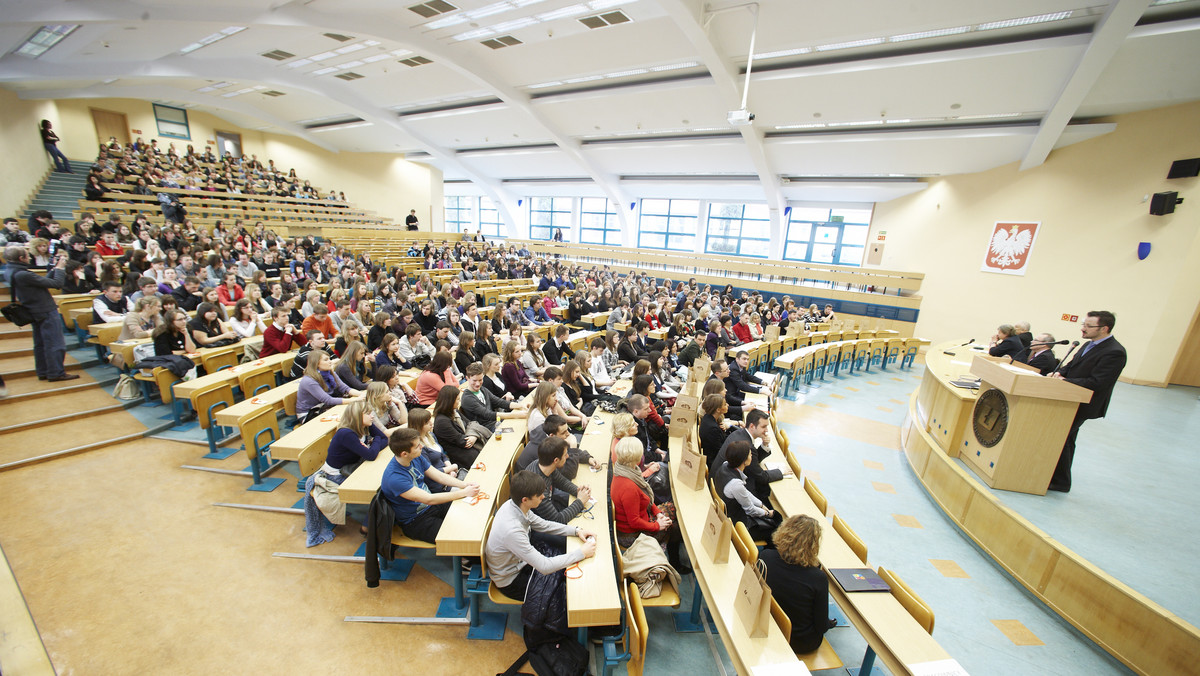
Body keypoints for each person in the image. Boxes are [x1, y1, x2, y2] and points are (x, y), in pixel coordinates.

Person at [484, 469, 597, 601]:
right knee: (566, 595)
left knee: (565, 569)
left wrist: (576, 531)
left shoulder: (514, 505)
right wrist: (581, 553)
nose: (543, 497)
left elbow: (544, 525)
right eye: (539, 496)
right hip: (512, 580)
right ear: (525, 499)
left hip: (520, 563)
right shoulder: (512, 531)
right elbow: (545, 566)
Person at [1049, 310, 1127, 493]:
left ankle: (1060, 482)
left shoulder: (1115, 352)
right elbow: (1073, 366)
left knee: (1063, 437)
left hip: (1085, 403)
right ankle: (1057, 478)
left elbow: (1097, 382)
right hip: (1069, 397)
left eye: (1088, 326)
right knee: (1065, 438)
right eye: (1083, 325)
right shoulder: (1087, 345)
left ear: (1104, 328)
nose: (1083, 329)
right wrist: (1061, 372)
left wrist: (1065, 381)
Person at [380, 428, 479, 543]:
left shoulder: (416, 457)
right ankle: (466, 557)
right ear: (404, 454)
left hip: (431, 507)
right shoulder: (395, 478)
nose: (421, 447)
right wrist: (463, 492)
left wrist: (464, 484)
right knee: (459, 536)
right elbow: (429, 499)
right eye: (417, 446)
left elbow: (439, 476)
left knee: (470, 514)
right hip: (416, 520)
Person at [611, 437, 690, 574]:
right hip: (632, 535)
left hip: (641, 519)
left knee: (673, 508)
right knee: (675, 528)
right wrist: (658, 525)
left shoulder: (624, 470)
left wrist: (658, 513)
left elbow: (645, 498)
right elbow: (634, 522)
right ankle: (675, 562)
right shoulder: (628, 486)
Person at [760, 515, 832, 653]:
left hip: (767, 626)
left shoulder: (766, 557)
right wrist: (829, 624)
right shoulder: (818, 578)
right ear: (814, 545)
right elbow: (821, 626)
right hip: (800, 642)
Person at [5, 246, 77, 381]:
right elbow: (57, 283)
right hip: (44, 310)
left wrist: (54, 269)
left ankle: (44, 371)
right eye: (27, 255)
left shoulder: (11, 271)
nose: (30, 257)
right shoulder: (23, 274)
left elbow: (41, 283)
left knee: (41, 343)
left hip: (33, 310)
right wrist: (60, 268)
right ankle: (56, 373)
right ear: (21, 258)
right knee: (55, 343)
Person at [714, 440, 781, 542]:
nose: (752, 457)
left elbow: (745, 493)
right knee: (776, 531)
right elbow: (750, 509)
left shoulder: (725, 464)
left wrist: (762, 505)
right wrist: (768, 514)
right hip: (738, 523)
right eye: (750, 455)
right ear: (744, 461)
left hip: (730, 513)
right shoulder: (735, 484)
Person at [715, 409, 785, 502]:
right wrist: (781, 471)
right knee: (763, 490)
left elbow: (752, 461)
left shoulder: (740, 433)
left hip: (722, 478)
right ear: (752, 426)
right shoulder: (746, 444)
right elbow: (761, 477)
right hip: (725, 487)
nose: (767, 430)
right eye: (764, 427)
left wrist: (764, 445)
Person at [523, 436, 592, 528]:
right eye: (565, 455)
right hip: (540, 527)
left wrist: (579, 491)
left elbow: (562, 482)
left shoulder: (543, 464)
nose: (568, 457)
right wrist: (580, 501)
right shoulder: (538, 488)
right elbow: (557, 520)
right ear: (556, 460)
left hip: (551, 506)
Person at [296, 349, 360, 422]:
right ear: (316, 363)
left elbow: (345, 388)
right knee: (351, 415)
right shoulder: (309, 381)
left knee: (358, 410)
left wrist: (362, 395)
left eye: (329, 359)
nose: (330, 362)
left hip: (324, 406)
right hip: (309, 413)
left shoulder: (330, 372)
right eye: (326, 360)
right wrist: (355, 400)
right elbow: (328, 400)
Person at [459, 362, 526, 432]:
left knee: (522, 424)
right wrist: (516, 415)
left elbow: (499, 402)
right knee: (517, 429)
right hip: (486, 429)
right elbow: (488, 414)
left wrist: (521, 406)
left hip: (495, 422)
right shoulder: (467, 398)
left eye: (480, 380)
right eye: (474, 380)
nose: (478, 384)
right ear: (467, 378)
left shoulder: (482, 389)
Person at [432, 384, 482, 467]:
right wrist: (474, 435)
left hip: (471, 445)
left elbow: (471, 423)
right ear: (450, 401)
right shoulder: (442, 421)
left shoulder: (454, 411)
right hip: (461, 455)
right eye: (458, 399)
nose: (459, 401)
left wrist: (474, 436)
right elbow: (463, 442)